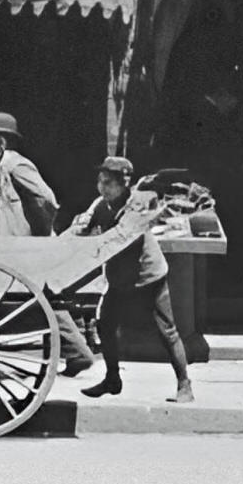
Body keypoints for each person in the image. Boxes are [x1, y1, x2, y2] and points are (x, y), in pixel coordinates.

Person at [0, 111, 96, 377]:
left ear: (0, 143)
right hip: (9, 249)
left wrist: (38, 236)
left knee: (42, 298)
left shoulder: (16, 165)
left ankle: (78, 352)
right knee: (34, 298)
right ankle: (76, 353)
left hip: (25, 248)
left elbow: (47, 199)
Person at [71, 156, 195, 403]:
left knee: (167, 331)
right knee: (105, 324)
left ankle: (185, 385)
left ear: (123, 185)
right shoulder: (101, 204)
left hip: (148, 276)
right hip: (121, 277)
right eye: (100, 181)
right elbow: (83, 226)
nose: (102, 187)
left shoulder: (136, 206)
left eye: (108, 183)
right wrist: (76, 228)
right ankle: (112, 379)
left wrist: (93, 242)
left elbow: (120, 235)